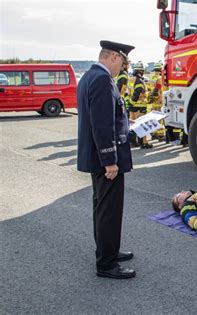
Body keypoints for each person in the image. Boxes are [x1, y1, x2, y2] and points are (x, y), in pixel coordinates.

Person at [77, 40, 136, 279]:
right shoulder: (102, 80)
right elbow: (102, 125)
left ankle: (108, 250)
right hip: (106, 160)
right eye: (122, 62)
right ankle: (107, 264)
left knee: (103, 208)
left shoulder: (90, 77)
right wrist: (109, 160)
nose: (122, 68)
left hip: (98, 157)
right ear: (113, 57)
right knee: (108, 210)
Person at [128, 61, 153, 149]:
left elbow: (128, 93)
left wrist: (130, 104)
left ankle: (133, 142)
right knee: (142, 125)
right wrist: (133, 102)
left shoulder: (131, 79)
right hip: (139, 107)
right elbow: (137, 92)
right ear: (140, 71)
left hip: (132, 108)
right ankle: (144, 143)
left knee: (133, 126)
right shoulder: (139, 80)